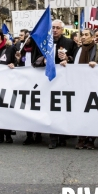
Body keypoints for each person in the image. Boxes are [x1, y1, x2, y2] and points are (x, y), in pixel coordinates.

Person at [33, 19, 76, 148]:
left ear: (62, 30)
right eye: (53, 27)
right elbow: (34, 61)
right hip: (46, 81)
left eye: (58, 28)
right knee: (49, 108)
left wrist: (68, 59)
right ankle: (52, 138)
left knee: (62, 109)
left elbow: (76, 60)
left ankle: (62, 137)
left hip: (63, 82)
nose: (55, 30)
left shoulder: (69, 43)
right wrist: (43, 60)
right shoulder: (42, 42)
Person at [61, 29, 98, 150]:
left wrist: (97, 65)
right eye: (82, 35)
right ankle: (81, 138)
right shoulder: (78, 49)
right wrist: (67, 61)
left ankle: (91, 139)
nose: (83, 37)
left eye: (86, 35)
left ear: (92, 36)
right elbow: (74, 62)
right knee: (80, 111)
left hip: (93, 85)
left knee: (92, 113)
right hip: (78, 85)